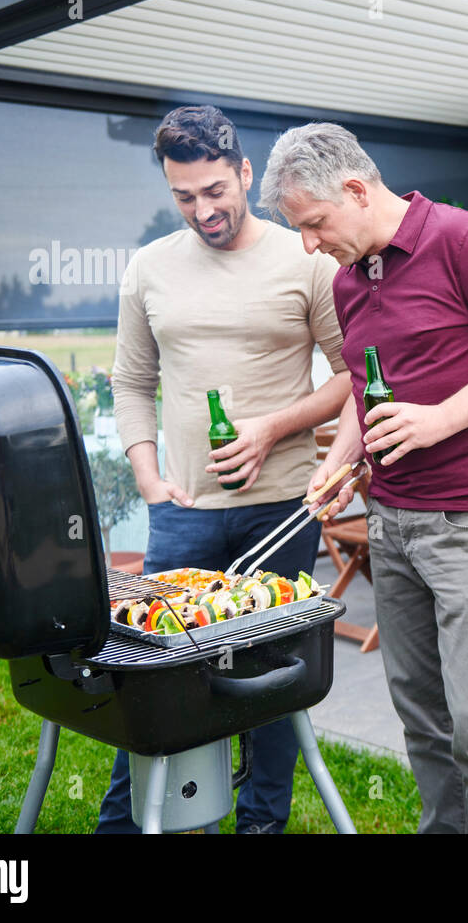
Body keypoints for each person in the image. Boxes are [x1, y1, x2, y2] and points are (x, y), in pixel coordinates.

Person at [258, 122, 468, 834]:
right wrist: (341, 461)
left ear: (357, 190)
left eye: (314, 223)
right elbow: (371, 399)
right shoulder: (344, 280)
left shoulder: (461, 239)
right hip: (393, 525)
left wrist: (438, 421)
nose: (309, 243)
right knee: (424, 724)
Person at [100, 105, 350, 834]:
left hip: (282, 508)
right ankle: (131, 823)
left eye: (215, 190)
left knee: (270, 683)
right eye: (184, 196)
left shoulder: (305, 256)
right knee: (158, 685)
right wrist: (149, 477)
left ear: (245, 172)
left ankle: (260, 825)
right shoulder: (149, 265)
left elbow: (350, 376)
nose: (203, 209)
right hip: (181, 510)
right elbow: (129, 381)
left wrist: (274, 425)